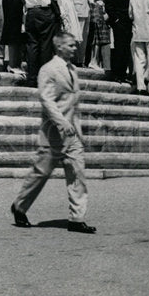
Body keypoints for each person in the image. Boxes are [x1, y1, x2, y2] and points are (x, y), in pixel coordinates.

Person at [10, 31, 95, 234]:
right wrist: (61, 122)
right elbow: (46, 100)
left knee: (77, 174)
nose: (75, 48)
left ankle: (76, 218)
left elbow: (75, 104)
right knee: (41, 173)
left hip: (72, 134)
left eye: (75, 45)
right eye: (71, 45)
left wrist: (78, 130)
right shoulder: (48, 70)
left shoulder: (73, 69)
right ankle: (20, 205)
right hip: (53, 132)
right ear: (59, 47)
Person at [21, 0, 62, 87]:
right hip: (44, 11)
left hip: (31, 11)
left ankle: (31, 78)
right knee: (45, 45)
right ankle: (43, 79)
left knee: (32, 45)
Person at [104, 0, 134, 83]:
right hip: (119, 22)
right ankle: (116, 74)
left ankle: (122, 73)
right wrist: (115, 20)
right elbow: (109, 5)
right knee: (119, 48)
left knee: (125, 48)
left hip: (126, 22)